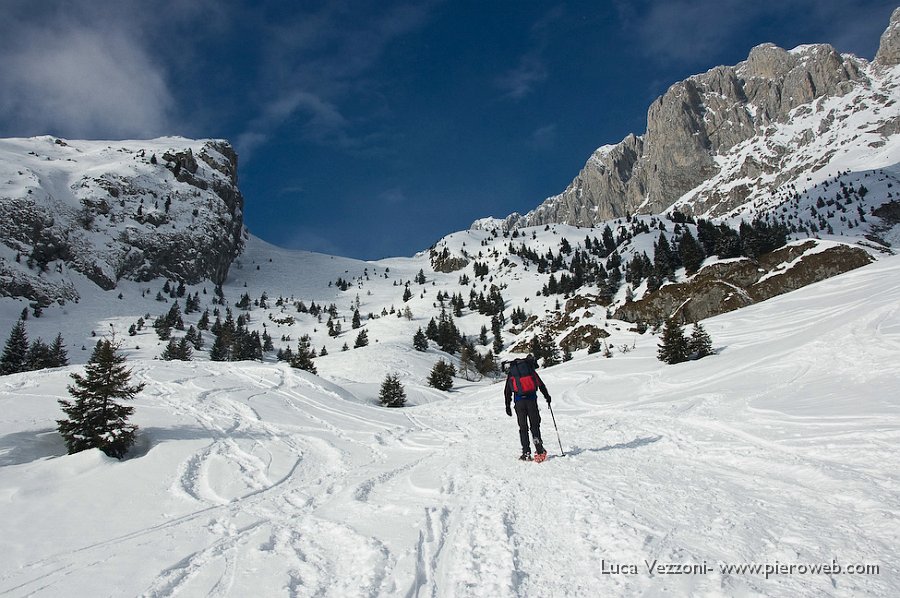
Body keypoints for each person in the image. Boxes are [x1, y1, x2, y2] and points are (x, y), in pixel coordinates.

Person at [503, 354, 551, 461]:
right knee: (534, 426)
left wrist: (508, 406)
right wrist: (547, 397)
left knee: (523, 428)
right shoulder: (530, 370)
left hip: (519, 403)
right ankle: (539, 450)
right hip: (531, 401)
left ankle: (526, 452)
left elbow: (507, 391)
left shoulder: (512, 373)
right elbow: (541, 385)